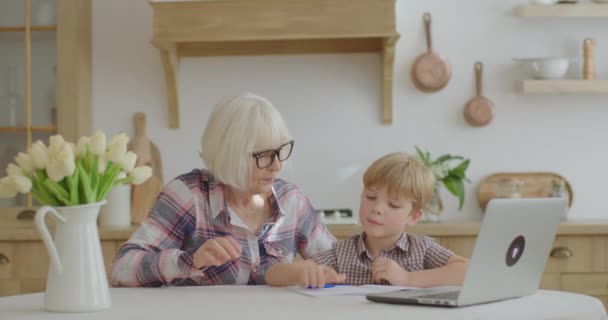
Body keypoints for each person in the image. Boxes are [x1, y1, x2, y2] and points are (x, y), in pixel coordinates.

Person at [110, 93, 336, 287]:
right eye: (264, 155)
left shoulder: (291, 200)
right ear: (230, 155)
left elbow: (338, 263)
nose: (277, 166)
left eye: (280, 151)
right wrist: (190, 260)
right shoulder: (189, 195)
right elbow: (121, 268)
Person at [265, 153, 468, 288]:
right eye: (370, 197)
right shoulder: (342, 252)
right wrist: (305, 271)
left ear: (414, 216)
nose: (377, 209)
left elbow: (467, 271)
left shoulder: (422, 249)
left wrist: (408, 279)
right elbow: (273, 275)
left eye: (394, 205)